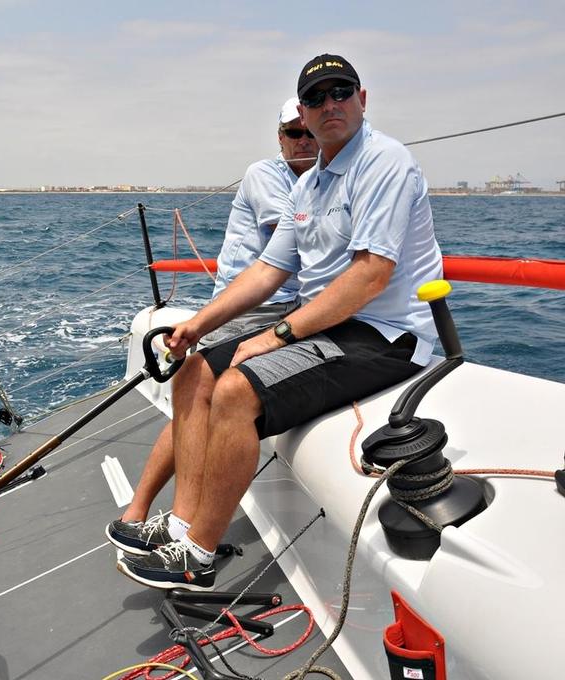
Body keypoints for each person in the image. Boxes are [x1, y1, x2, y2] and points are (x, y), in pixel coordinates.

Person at [117, 54, 443, 590]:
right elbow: (270, 269)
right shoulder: (310, 184)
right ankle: (180, 525)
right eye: (316, 98)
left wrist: (278, 334)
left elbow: (369, 277)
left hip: (385, 336)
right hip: (329, 328)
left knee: (235, 392)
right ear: (302, 114)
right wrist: (199, 324)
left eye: (341, 92)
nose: (329, 105)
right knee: (194, 372)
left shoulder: (384, 161)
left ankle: (197, 556)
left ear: (363, 100)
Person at [105, 97, 318, 555]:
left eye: (311, 132)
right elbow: (294, 235)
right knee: (197, 392)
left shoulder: (320, 184)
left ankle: (148, 517)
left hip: (284, 307)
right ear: (280, 138)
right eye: (294, 133)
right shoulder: (267, 175)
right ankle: (164, 521)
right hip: (250, 310)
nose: (305, 141)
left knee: (196, 401)